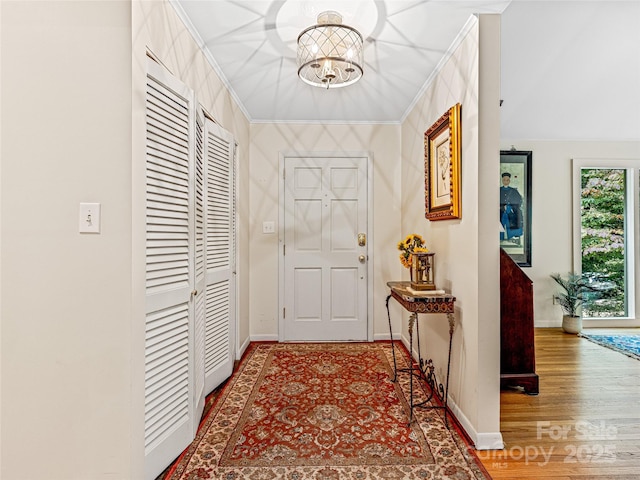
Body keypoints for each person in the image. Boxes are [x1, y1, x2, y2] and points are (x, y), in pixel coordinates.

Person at [500, 172, 523, 242]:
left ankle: (512, 237)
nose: (506, 182)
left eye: (507, 180)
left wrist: (511, 206)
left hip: (510, 210)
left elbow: (519, 200)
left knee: (512, 221)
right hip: (500, 210)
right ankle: (499, 238)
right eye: (504, 180)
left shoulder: (513, 190)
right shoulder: (498, 190)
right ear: (502, 180)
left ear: (509, 181)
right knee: (500, 222)